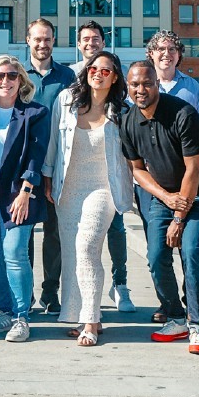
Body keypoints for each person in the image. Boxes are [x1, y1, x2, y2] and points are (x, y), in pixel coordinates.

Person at [122, 62, 199, 357]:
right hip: (166, 196)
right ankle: (176, 317)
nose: (141, 90)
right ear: (128, 86)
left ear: (156, 84)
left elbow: (196, 168)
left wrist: (179, 216)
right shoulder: (127, 121)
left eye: (147, 83)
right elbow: (137, 170)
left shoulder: (182, 113)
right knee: (156, 255)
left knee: (191, 250)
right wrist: (165, 197)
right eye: (135, 84)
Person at [45, 50, 132, 347]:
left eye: (106, 71)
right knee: (72, 253)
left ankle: (92, 321)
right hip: (68, 186)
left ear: (115, 77)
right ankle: (80, 314)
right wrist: (47, 177)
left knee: (87, 247)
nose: (98, 73)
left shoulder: (123, 109)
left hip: (103, 186)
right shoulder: (66, 101)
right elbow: (54, 144)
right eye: (93, 68)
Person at [0, 55, 50, 343]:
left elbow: (36, 155)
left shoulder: (35, 112)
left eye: (12, 76)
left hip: (17, 192)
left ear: (21, 81)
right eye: (0, 76)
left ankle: (21, 317)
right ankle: (5, 311)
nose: (6, 81)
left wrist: (26, 191)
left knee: (14, 254)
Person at [74, 20, 133, 315]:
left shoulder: (122, 107)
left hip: (109, 181)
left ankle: (118, 285)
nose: (90, 43)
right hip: (74, 181)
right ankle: (70, 299)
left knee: (112, 233)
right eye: (85, 39)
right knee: (78, 243)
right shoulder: (70, 85)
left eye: (96, 38)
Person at [24, 18, 75, 316]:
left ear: (54, 41)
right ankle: (26, 291)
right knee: (25, 232)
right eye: (37, 39)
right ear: (28, 40)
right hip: (25, 167)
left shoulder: (67, 76)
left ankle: (49, 292)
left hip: (59, 167)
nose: (42, 44)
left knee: (55, 234)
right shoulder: (17, 75)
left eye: (48, 39)